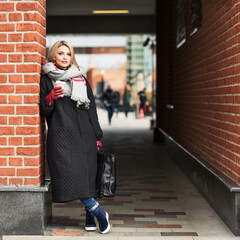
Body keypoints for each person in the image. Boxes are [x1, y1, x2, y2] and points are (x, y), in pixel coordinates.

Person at [39, 40, 110, 234]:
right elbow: (44, 110)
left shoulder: (80, 78)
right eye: (61, 53)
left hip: (84, 134)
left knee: (87, 175)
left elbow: (91, 110)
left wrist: (97, 135)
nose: (64, 57)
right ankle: (99, 212)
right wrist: (51, 97)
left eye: (68, 54)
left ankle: (89, 217)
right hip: (61, 136)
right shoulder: (46, 79)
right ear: (54, 55)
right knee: (70, 174)